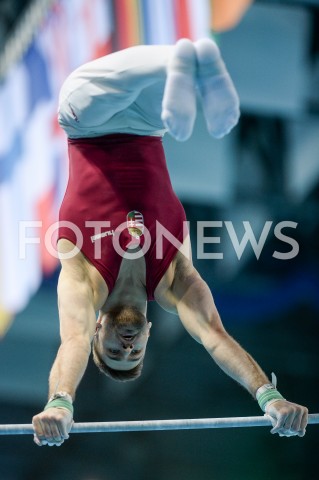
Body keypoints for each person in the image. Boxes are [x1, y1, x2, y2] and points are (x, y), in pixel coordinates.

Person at [32, 38, 308, 446]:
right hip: (148, 126)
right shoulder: (174, 280)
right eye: (134, 353)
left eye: (113, 351)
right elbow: (214, 335)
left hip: (85, 122)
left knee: (151, 74)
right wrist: (269, 397)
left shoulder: (85, 282)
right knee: (175, 77)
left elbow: (70, 341)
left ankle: (185, 66)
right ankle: (192, 67)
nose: (126, 348)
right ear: (146, 333)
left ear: (98, 331)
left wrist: (60, 403)